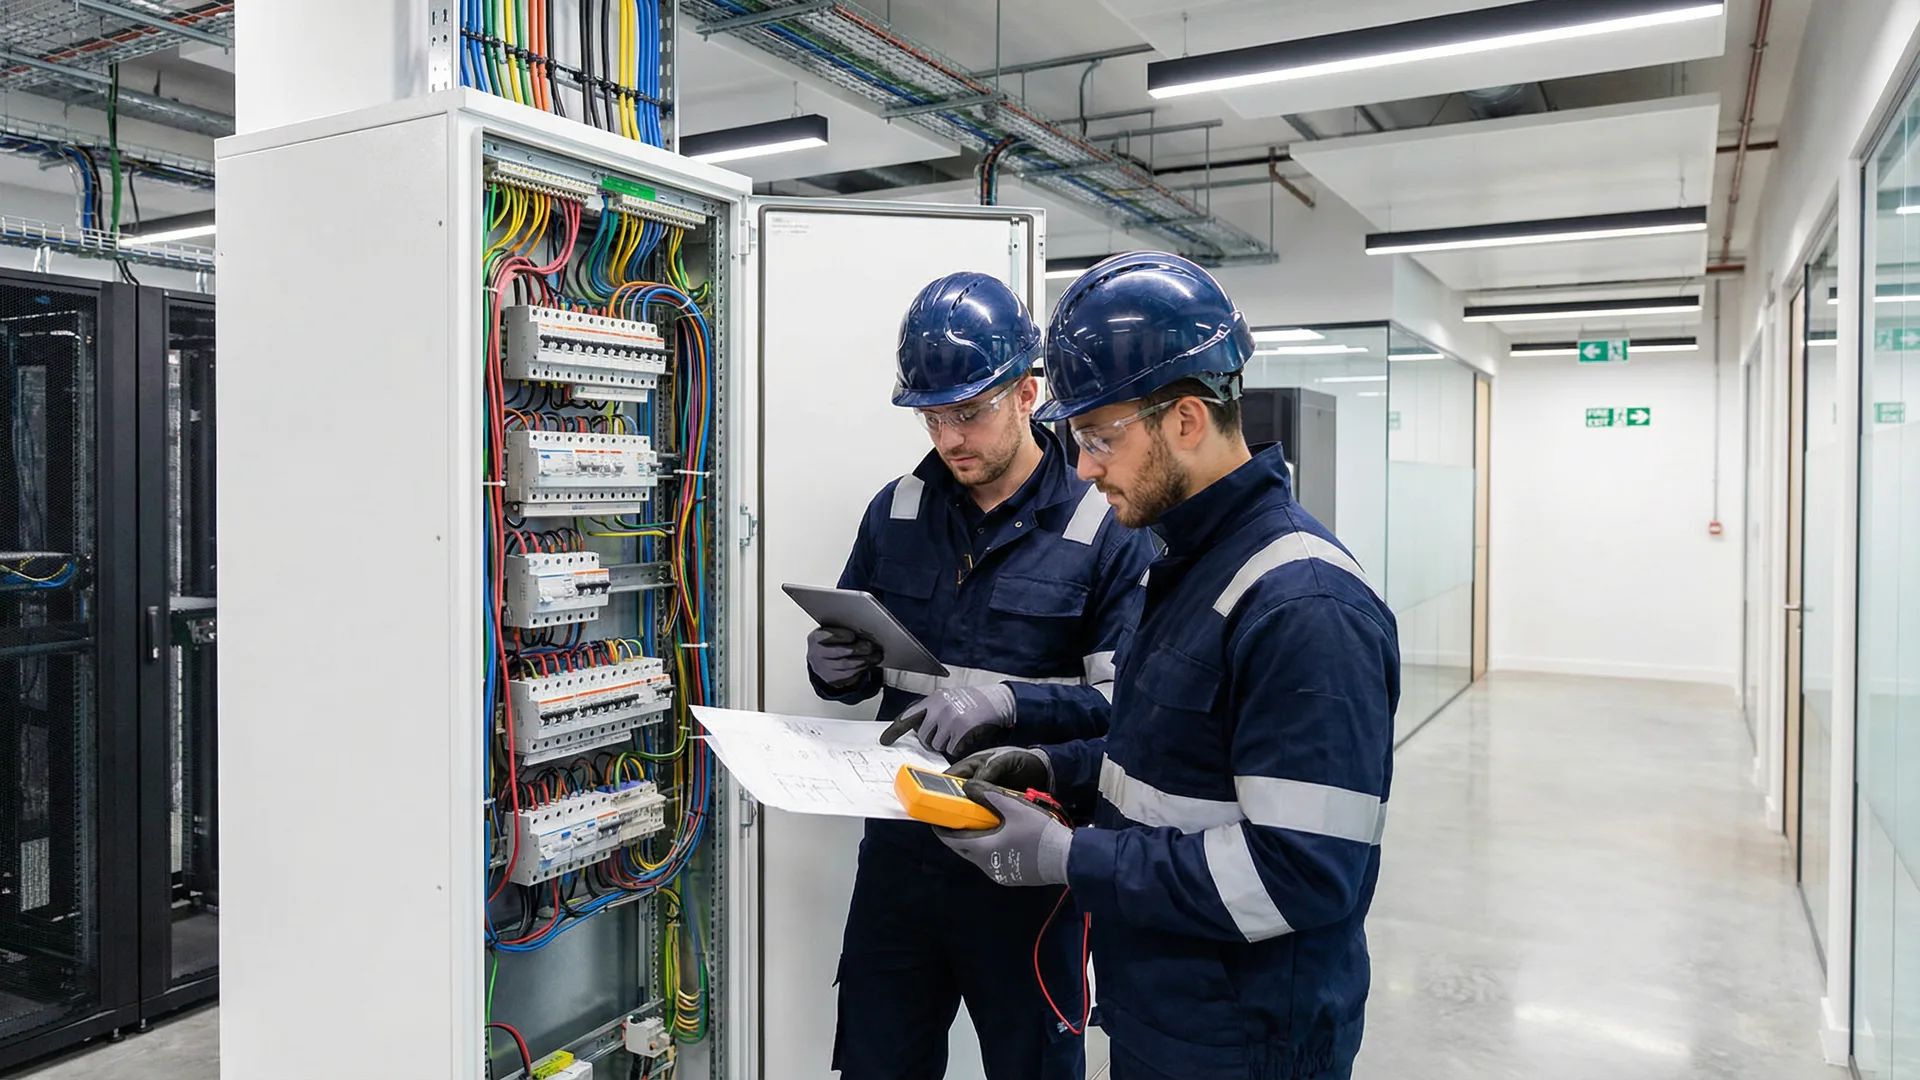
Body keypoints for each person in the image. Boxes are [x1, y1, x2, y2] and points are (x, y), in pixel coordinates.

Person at [933, 253, 1401, 1080]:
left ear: (1186, 420)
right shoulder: (1189, 566)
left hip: (1245, 1037)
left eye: (1099, 438)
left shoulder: (1304, 605)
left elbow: (1300, 873)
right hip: (1168, 1008)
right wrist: (1052, 767)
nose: (1084, 467)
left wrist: (1071, 858)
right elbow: (1167, 762)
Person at [806, 271, 1156, 1080]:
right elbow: (864, 662)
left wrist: (1007, 701)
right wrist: (834, 670)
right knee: (878, 1062)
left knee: (1032, 1063)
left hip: (1025, 855)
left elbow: (1124, 710)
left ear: (1028, 393)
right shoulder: (895, 511)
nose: (949, 437)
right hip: (900, 847)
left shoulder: (1102, 523)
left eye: (969, 412)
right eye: (932, 417)